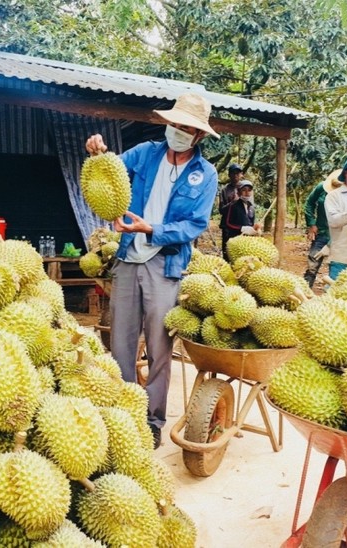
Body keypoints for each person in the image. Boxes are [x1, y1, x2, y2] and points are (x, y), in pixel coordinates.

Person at [84, 92, 219, 449]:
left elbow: (195, 224)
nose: (178, 131)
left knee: (160, 346)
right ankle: (124, 411)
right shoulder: (144, 153)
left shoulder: (205, 174)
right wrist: (97, 151)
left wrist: (151, 230)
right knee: (122, 340)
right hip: (128, 258)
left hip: (167, 263)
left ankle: (153, 419)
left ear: (199, 135)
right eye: (175, 124)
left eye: (186, 127)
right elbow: (109, 171)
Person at [303, 169, 342, 287]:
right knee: (313, 263)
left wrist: (330, 244)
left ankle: (332, 293)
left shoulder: (346, 198)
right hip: (321, 231)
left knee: (336, 266)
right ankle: (305, 288)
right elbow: (309, 204)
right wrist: (312, 223)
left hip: (338, 236)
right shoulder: (321, 188)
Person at [222, 180, 261, 247]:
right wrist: (242, 228)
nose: (247, 192)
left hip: (246, 240)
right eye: (244, 190)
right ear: (238, 192)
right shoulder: (233, 205)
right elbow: (227, 223)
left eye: (249, 190)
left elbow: (251, 224)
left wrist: (255, 229)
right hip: (234, 239)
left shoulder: (251, 207)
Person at [218, 163, 244, 256]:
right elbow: (221, 210)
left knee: (241, 251)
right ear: (229, 175)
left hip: (242, 225)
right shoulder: (224, 190)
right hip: (228, 226)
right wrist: (232, 203)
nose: (235, 175)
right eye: (233, 173)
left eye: (238, 173)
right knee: (227, 251)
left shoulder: (246, 188)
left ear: (242, 174)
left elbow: (250, 207)